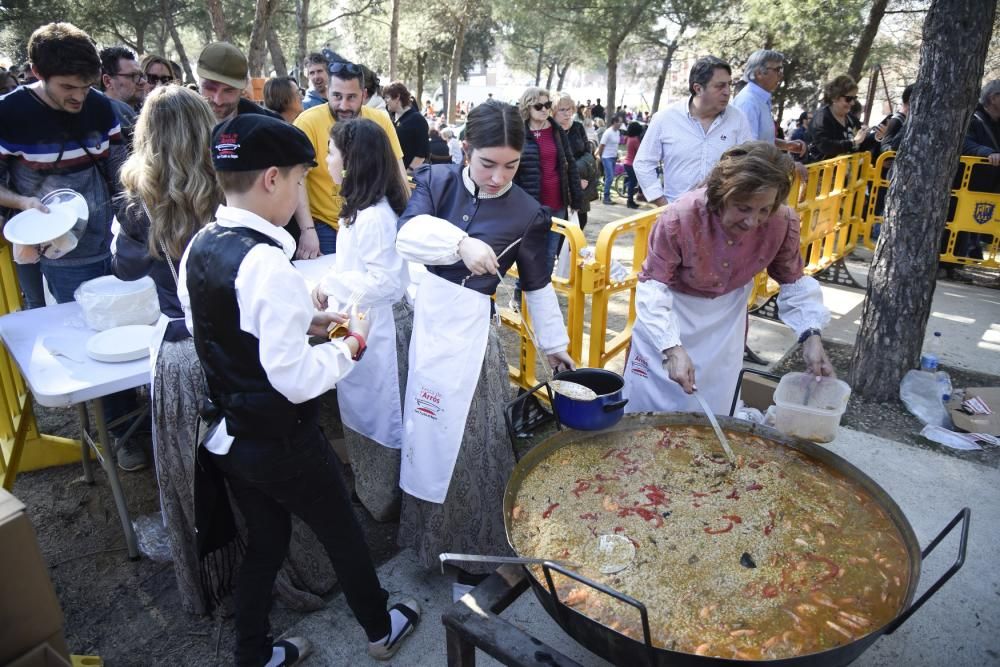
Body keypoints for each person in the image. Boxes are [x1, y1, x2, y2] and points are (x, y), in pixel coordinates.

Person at [179, 114, 421, 666]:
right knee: (343, 533)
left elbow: (221, 330)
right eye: (296, 182)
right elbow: (295, 378)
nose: (299, 195)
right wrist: (350, 344)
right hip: (282, 440)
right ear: (271, 179)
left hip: (230, 437)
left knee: (265, 543)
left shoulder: (201, 246)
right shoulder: (266, 264)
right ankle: (381, 631)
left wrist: (316, 325)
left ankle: (253, 653)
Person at [394, 100, 575, 594]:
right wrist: (460, 245)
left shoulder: (527, 213)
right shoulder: (437, 181)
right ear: (466, 149)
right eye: (487, 163)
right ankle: (427, 544)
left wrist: (554, 347)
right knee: (426, 438)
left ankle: (474, 564)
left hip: (473, 344)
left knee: (473, 453)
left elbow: (535, 286)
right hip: (425, 332)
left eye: (511, 165)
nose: (498, 177)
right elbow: (407, 236)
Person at [623, 141, 834, 415]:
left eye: (764, 210)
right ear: (721, 195)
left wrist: (811, 338)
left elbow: (792, 281)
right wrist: (672, 348)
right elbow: (653, 286)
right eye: (743, 208)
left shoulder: (782, 222)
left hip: (725, 325)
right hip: (668, 314)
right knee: (648, 408)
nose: (753, 221)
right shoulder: (682, 217)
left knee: (713, 408)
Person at [310, 118, 412, 522]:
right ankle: (372, 489)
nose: (326, 160)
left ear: (351, 162)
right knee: (360, 406)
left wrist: (332, 279)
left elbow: (387, 282)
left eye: (332, 152)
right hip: (362, 322)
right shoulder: (359, 210)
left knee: (379, 412)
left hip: (380, 329)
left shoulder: (374, 217)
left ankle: (383, 498)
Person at [293, 60, 404, 258]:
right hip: (324, 225)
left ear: (364, 95)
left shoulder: (380, 120)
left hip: (372, 222)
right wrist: (307, 230)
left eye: (351, 97)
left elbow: (398, 174)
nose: (343, 105)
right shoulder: (307, 122)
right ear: (327, 92)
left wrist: (404, 220)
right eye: (337, 96)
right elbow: (297, 179)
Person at [634, 56, 753, 206]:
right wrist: (662, 203)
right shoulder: (665, 118)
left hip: (723, 213)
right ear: (698, 88)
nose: (727, 92)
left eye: (729, 85)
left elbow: (748, 163)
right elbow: (643, 163)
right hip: (677, 212)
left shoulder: (738, 119)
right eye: (720, 86)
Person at [513, 86, 582, 272]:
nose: (544, 109)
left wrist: (576, 198)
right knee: (528, 252)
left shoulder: (557, 131)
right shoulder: (518, 133)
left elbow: (570, 165)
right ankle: (521, 294)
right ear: (528, 107)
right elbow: (513, 172)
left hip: (557, 202)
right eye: (539, 106)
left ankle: (542, 295)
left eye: (548, 104)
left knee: (550, 253)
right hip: (530, 205)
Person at [732, 49, 807, 158]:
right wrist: (787, 163)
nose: (781, 75)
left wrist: (786, 145)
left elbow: (761, 139)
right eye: (778, 70)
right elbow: (748, 149)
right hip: (752, 172)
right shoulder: (748, 102)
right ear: (758, 73)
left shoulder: (760, 99)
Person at [196, 41, 281, 122]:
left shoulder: (274, 129)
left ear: (244, 85)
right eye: (210, 88)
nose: (218, 101)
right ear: (199, 81)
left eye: (229, 91)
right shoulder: (183, 120)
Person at [804, 75, 875, 163]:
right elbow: (824, 146)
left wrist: (876, 136)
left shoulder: (852, 120)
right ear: (834, 97)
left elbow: (862, 144)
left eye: (854, 98)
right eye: (848, 99)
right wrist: (853, 142)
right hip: (823, 174)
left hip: (848, 174)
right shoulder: (821, 118)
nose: (852, 103)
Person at [553, 92, 598, 230]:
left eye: (570, 109)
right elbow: (551, 161)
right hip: (560, 186)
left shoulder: (577, 127)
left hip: (581, 182)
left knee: (580, 221)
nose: (567, 113)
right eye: (562, 110)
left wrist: (580, 175)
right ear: (553, 111)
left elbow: (587, 153)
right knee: (561, 227)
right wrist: (573, 180)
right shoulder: (549, 130)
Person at [99, 46, 144, 139]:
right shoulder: (100, 122)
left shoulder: (143, 115)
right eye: (133, 75)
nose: (142, 81)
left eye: (141, 75)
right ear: (108, 81)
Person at [385, 81, 429, 170]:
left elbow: (422, 153)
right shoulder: (391, 117)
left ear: (397, 97)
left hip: (408, 176)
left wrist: (408, 172)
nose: (385, 101)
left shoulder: (417, 120)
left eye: (387, 97)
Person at [598, 114, 623, 204]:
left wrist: (617, 155)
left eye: (621, 122)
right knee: (610, 177)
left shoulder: (618, 132)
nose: (621, 123)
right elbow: (601, 145)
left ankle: (606, 194)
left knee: (609, 177)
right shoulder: (608, 132)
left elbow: (616, 145)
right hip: (606, 157)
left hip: (613, 157)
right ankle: (606, 197)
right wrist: (600, 157)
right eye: (619, 122)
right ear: (614, 122)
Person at [623, 121, 642, 208]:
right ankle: (630, 201)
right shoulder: (635, 140)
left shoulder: (628, 138)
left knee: (632, 181)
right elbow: (640, 150)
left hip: (627, 163)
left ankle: (630, 199)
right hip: (631, 164)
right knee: (633, 182)